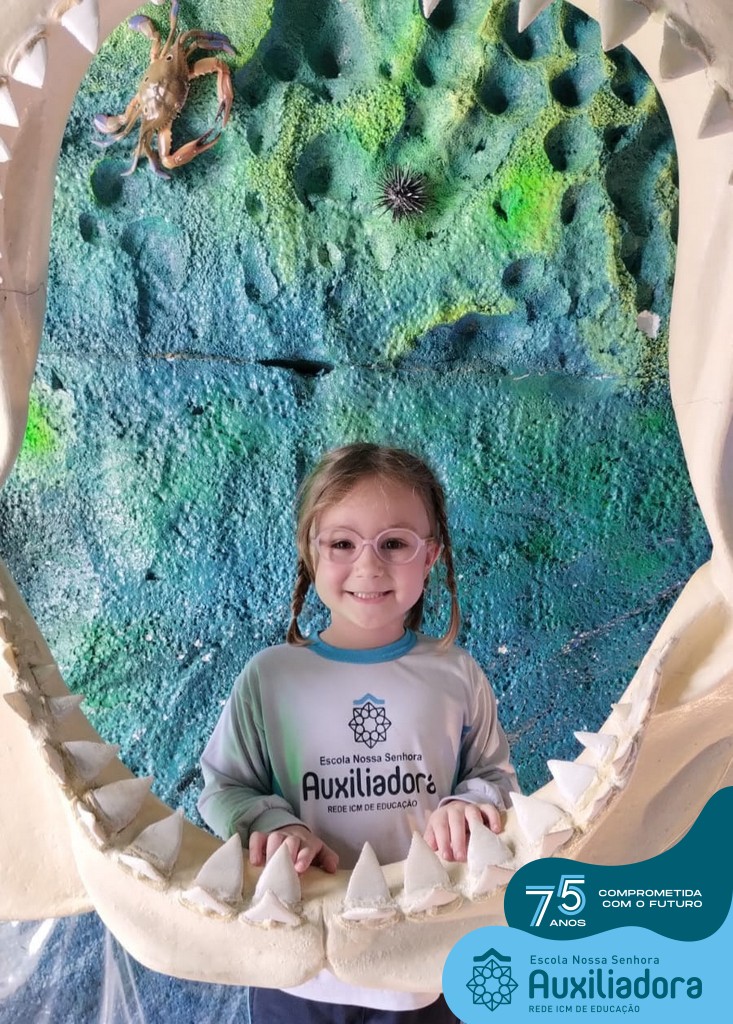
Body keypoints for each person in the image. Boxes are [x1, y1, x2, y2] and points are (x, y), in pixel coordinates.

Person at [198, 442, 518, 1023]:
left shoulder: (457, 674)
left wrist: (468, 806)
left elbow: (495, 779)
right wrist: (272, 823)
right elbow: (224, 787)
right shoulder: (271, 678)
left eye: (394, 543)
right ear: (310, 552)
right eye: (343, 543)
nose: (368, 566)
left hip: (423, 966)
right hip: (296, 968)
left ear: (430, 556)